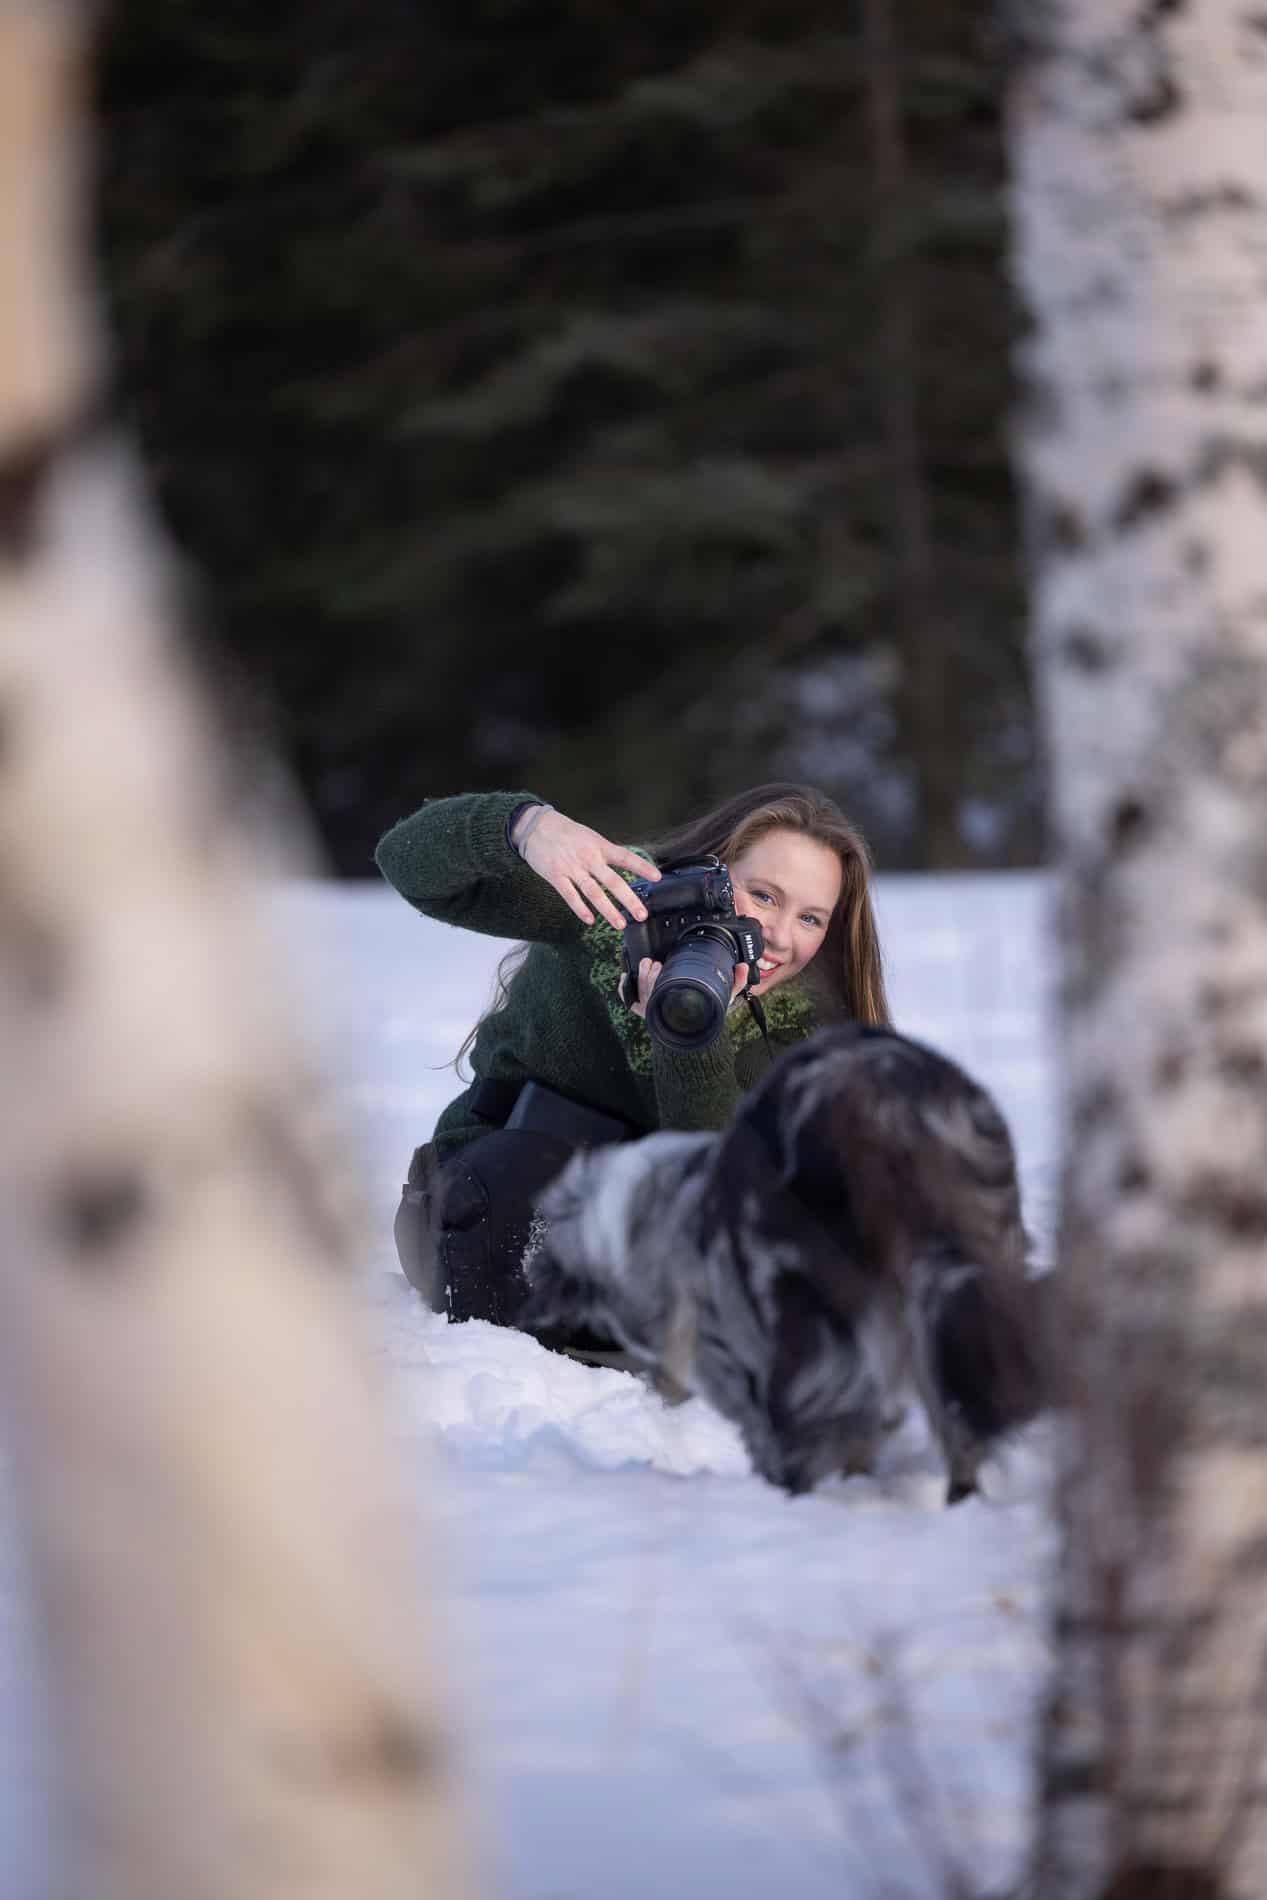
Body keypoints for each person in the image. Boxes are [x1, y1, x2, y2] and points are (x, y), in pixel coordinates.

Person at [375, 785, 889, 1343]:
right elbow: (406, 861)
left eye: (811, 919)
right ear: (711, 873)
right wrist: (524, 828)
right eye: (763, 896)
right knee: (528, 1184)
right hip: (488, 1196)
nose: (779, 937)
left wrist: (690, 1038)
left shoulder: (802, 1036)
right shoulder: (623, 903)